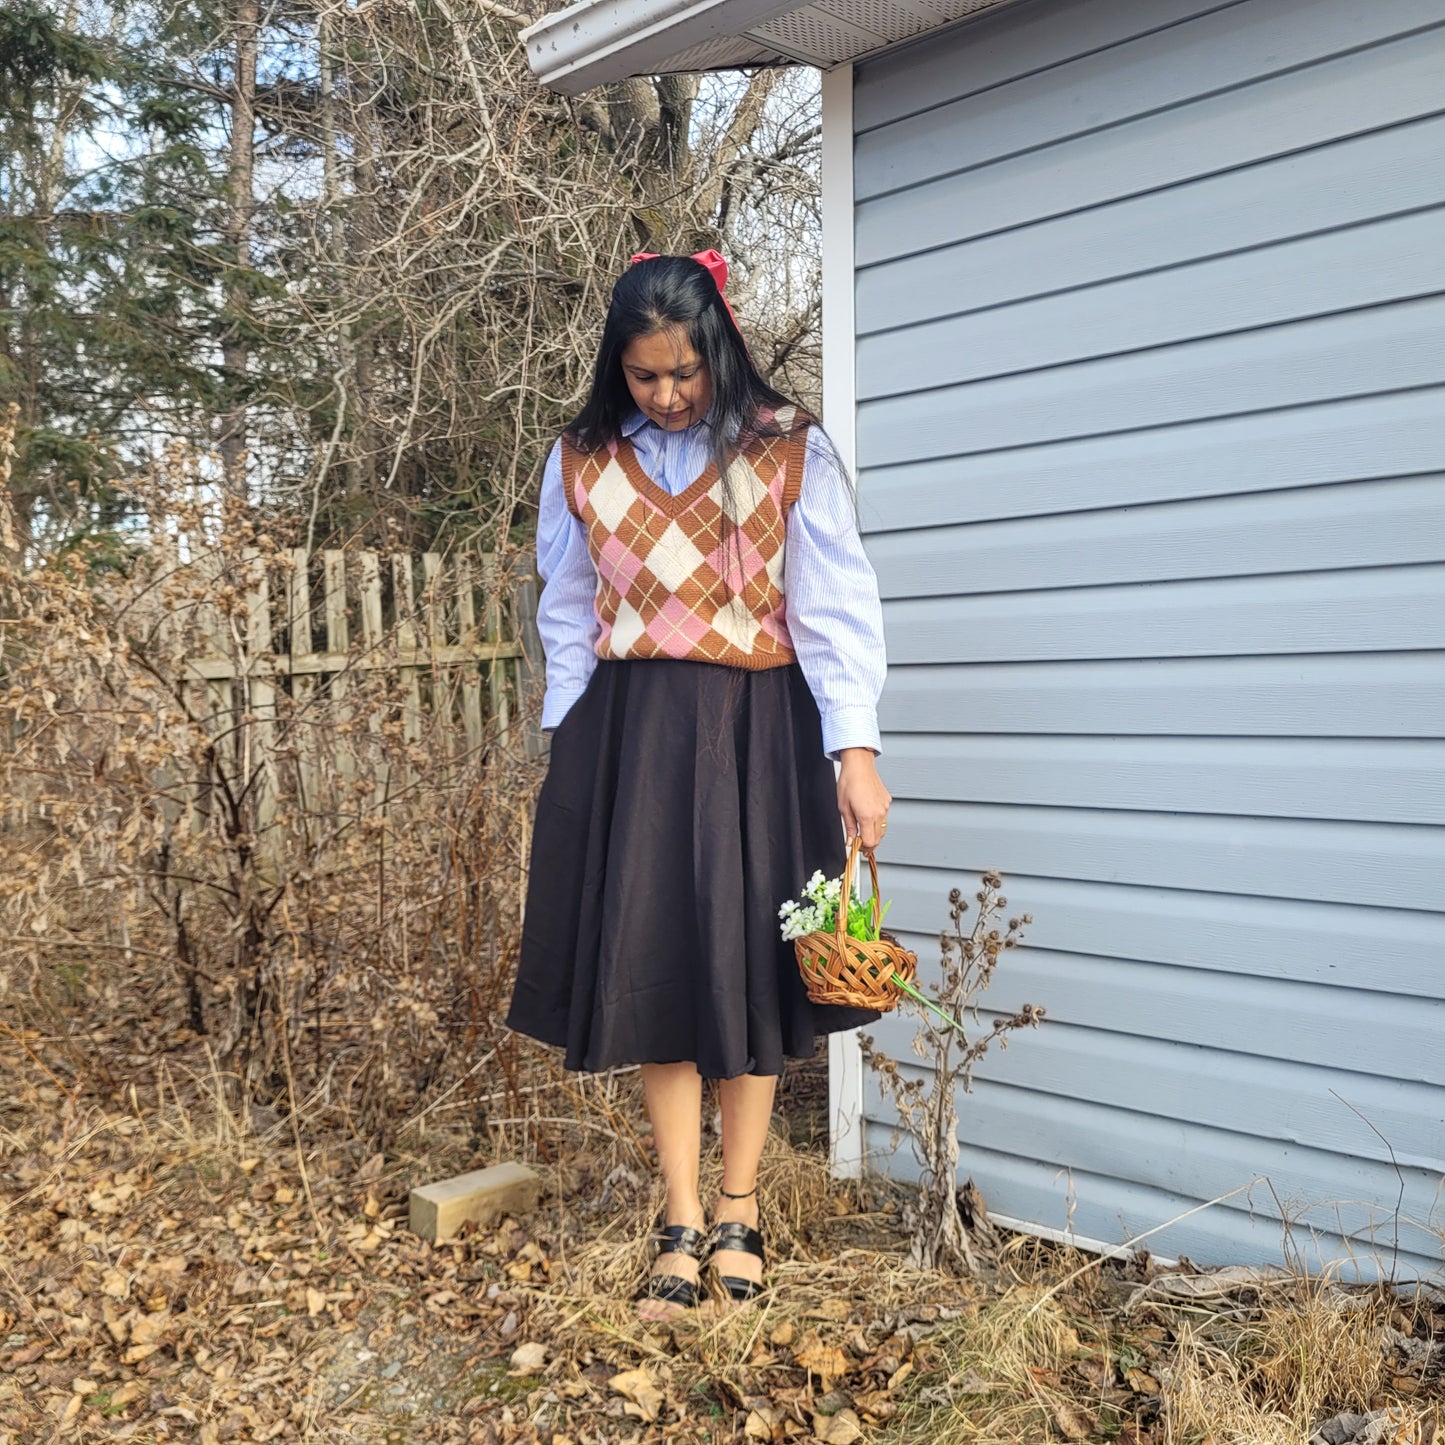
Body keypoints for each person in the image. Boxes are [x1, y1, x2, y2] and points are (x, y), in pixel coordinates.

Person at [504, 250, 890, 1318]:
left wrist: (853, 752)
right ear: (615, 368)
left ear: (715, 347)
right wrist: (568, 745)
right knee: (658, 970)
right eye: (643, 377)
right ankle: (677, 1219)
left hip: (759, 729)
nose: (666, 394)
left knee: (747, 974)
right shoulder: (580, 456)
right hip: (628, 739)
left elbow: (832, 609)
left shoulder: (782, 449)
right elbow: (566, 604)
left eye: (681, 372)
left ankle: (739, 1209)